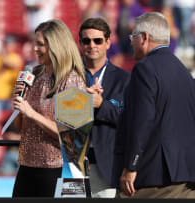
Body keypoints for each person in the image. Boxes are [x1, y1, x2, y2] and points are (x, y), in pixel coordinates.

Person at [112, 12, 195, 198]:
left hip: (156, 180)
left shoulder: (145, 69)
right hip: (186, 179)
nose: (131, 42)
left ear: (144, 38)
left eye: (133, 37)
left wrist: (131, 166)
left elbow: (142, 121)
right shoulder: (184, 72)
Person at [11, 19, 86, 197]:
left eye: (40, 44)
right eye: (35, 43)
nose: (35, 49)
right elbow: (20, 127)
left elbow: (73, 138)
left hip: (60, 170)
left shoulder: (73, 81)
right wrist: (18, 104)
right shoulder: (36, 73)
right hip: (28, 165)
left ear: (56, 45)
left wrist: (31, 112)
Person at [78, 17, 130, 198]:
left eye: (97, 40)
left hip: (107, 166)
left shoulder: (124, 79)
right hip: (72, 165)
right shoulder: (69, 78)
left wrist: (101, 105)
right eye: (86, 41)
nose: (92, 45)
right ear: (80, 44)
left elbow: (129, 119)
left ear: (108, 43)